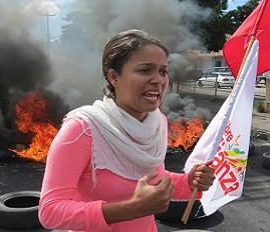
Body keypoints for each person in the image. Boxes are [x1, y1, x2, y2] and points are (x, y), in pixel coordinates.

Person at [38, 29, 215, 232]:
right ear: (114, 77)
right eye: (145, 70)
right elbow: (50, 211)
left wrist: (189, 182)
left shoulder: (157, 122)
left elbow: (153, 177)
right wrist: (131, 209)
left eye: (163, 71)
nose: (158, 80)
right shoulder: (83, 129)